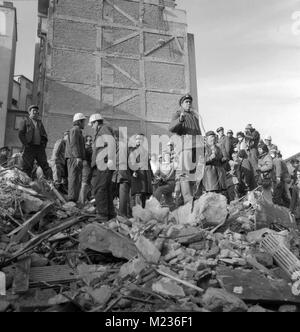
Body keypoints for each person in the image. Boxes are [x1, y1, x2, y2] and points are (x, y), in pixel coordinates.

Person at [169, 94, 202, 204]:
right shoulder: (178, 114)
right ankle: (187, 198)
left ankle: (192, 197)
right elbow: (171, 128)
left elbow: (198, 132)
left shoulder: (194, 116)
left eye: (190, 102)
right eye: (186, 102)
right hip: (186, 147)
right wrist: (180, 120)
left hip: (197, 147)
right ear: (182, 104)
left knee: (194, 174)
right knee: (184, 173)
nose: (189, 103)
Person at [89, 113, 116, 221]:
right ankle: (110, 215)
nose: (91, 127)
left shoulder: (103, 129)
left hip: (103, 163)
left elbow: (111, 142)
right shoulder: (100, 131)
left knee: (99, 189)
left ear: (96, 122)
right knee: (105, 190)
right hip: (102, 163)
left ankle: (102, 215)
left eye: (92, 124)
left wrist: (110, 159)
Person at [18, 105, 53, 180]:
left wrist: (43, 145)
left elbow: (44, 135)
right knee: (27, 167)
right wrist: (26, 144)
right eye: (33, 110)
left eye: (37, 111)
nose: (35, 112)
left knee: (45, 166)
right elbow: (20, 134)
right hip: (29, 147)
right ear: (29, 112)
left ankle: (51, 182)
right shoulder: (24, 121)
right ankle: (27, 183)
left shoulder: (40, 123)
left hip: (39, 148)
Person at [65, 113, 87, 203]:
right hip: (74, 158)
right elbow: (74, 144)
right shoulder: (75, 130)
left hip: (75, 158)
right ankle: (71, 200)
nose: (84, 124)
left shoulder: (78, 131)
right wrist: (78, 156)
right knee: (73, 178)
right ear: (79, 122)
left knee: (77, 179)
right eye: (83, 122)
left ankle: (74, 199)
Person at [129, 134, 153, 208]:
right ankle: (136, 214)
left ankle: (143, 213)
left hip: (145, 176)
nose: (138, 140)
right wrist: (133, 171)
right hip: (137, 175)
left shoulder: (145, 151)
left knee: (144, 195)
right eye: (136, 139)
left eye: (140, 139)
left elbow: (148, 164)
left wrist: (152, 176)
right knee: (137, 194)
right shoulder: (132, 150)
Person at [112, 130, 132, 218]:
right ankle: (123, 214)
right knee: (123, 194)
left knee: (111, 193)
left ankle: (108, 212)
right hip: (124, 173)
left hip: (115, 172)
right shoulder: (127, 145)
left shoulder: (114, 145)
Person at [79, 135, 93, 205]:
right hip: (86, 166)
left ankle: (85, 199)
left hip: (88, 166)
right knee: (84, 183)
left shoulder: (88, 148)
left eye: (91, 140)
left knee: (87, 183)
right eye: (88, 140)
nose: (90, 142)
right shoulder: (87, 148)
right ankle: (82, 201)